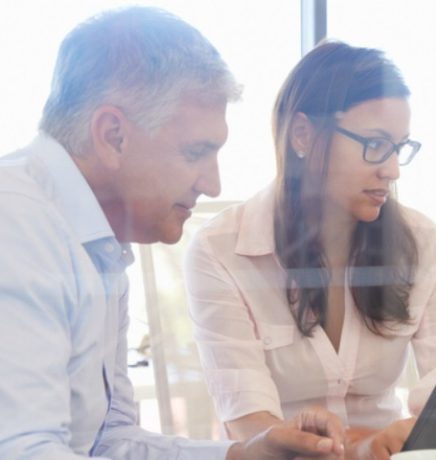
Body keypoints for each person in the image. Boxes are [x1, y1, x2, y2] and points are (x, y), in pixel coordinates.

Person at [0, 7, 345, 459]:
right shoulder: (16, 222)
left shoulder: (99, 245)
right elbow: (25, 452)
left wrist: (245, 455)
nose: (212, 184)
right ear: (113, 135)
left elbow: (109, 440)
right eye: (196, 152)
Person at [184, 40, 436, 459]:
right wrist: (363, 445)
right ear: (303, 133)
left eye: (398, 148)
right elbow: (251, 429)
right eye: (374, 143)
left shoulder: (423, 245)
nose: (391, 170)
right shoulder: (222, 252)